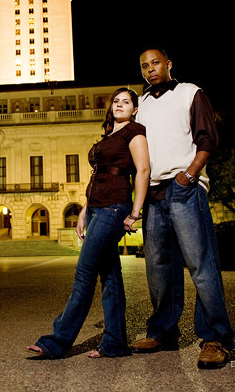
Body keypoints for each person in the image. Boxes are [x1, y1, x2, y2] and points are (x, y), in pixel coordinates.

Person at [27, 87, 150, 359]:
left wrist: (135, 212)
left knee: (84, 273)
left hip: (115, 207)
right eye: (116, 101)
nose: (120, 105)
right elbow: (98, 174)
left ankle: (57, 341)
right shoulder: (108, 136)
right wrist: (84, 209)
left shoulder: (135, 132)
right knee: (110, 276)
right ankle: (115, 343)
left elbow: (143, 170)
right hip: (96, 207)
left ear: (135, 108)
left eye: (126, 102)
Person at [131, 47, 234, 369]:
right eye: (144, 66)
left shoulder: (191, 93)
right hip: (153, 195)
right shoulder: (142, 104)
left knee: (201, 266)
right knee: (158, 270)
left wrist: (190, 175)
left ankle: (215, 337)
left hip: (184, 190)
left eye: (155, 63)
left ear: (169, 63)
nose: (150, 69)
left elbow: (208, 138)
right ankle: (162, 332)